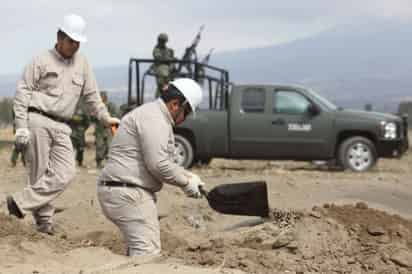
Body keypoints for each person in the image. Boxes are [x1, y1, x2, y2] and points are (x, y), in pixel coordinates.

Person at [7, 14, 120, 235]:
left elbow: (92, 98)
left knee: (66, 172)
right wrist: (21, 125)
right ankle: (44, 225)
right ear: (59, 37)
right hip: (37, 119)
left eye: (78, 42)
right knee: (39, 174)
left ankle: (20, 203)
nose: (75, 46)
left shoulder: (83, 63)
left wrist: (106, 118)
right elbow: (22, 93)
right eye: (71, 41)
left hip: (62, 125)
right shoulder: (40, 60)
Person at [97, 78, 205, 257]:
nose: (184, 119)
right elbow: (158, 164)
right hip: (129, 193)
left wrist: (188, 176)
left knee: (138, 253)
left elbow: (163, 160)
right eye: (186, 112)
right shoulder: (156, 119)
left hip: (123, 189)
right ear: (175, 104)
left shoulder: (153, 115)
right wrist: (185, 182)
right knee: (147, 257)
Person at [94, 91, 118, 168]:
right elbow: (93, 118)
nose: (102, 98)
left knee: (109, 146)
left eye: (103, 96)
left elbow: (115, 118)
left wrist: (114, 130)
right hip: (100, 129)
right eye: (101, 96)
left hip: (109, 129)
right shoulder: (97, 107)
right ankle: (99, 162)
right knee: (100, 145)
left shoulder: (111, 106)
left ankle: (109, 163)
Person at [152, 33, 176, 97]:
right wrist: (169, 59)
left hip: (168, 69)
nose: (163, 43)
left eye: (164, 41)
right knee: (162, 85)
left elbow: (170, 58)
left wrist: (172, 59)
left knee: (169, 84)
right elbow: (159, 58)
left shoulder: (168, 50)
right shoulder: (157, 49)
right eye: (162, 41)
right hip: (160, 68)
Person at [70, 99, 90, 167]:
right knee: (71, 148)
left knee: (81, 148)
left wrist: (83, 129)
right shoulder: (70, 109)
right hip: (72, 132)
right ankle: (71, 163)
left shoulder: (83, 110)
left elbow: (87, 122)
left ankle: (80, 162)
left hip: (80, 132)